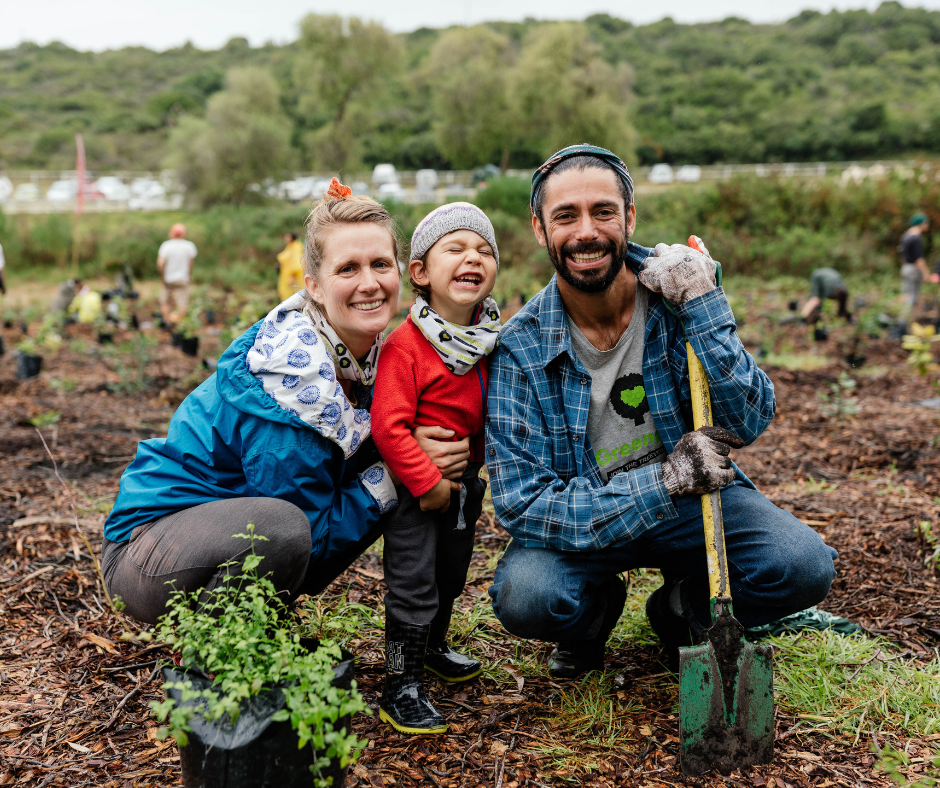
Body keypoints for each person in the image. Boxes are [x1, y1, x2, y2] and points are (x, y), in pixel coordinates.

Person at [485, 144, 837, 677]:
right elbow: (521, 503)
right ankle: (592, 617)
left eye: (603, 211)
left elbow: (750, 418)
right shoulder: (521, 346)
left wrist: (704, 303)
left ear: (629, 216)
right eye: (566, 216)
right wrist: (662, 480)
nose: (586, 232)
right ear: (540, 228)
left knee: (803, 566)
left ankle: (680, 612)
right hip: (592, 516)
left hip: (691, 507)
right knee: (529, 595)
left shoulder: (677, 297)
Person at [101, 179, 470, 625]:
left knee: (403, 459)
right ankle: (215, 662)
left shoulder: (363, 360)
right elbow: (307, 547)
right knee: (283, 530)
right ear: (313, 285)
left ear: (401, 272)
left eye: (380, 264)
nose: (370, 283)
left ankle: (419, 642)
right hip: (150, 552)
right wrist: (398, 469)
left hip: (216, 534)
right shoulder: (292, 382)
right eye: (348, 269)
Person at [371, 204, 501, 734]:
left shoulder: (489, 342)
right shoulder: (408, 346)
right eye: (457, 248)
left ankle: (435, 646)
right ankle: (399, 685)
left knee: (451, 573)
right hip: (416, 494)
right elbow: (388, 426)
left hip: (465, 487)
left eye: (485, 251)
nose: (473, 258)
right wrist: (426, 485)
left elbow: (495, 413)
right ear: (420, 273)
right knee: (414, 581)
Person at [157, 223, 197, 326]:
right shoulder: (189, 246)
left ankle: (167, 323)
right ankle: (180, 326)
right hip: (182, 279)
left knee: (165, 301)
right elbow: (190, 264)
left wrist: (163, 278)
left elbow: (160, 264)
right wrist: (188, 275)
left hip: (168, 279)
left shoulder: (166, 245)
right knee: (182, 303)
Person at [898, 212, 930, 326]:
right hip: (913, 270)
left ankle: (906, 323)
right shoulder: (916, 238)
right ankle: (903, 324)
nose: (927, 225)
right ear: (920, 224)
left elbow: (903, 257)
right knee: (911, 298)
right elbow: (918, 259)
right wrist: (926, 274)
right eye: (926, 223)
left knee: (906, 295)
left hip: (906, 268)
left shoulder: (905, 236)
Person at [277, 232, 305, 301]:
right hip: (285, 275)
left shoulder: (296, 247)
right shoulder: (289, 247)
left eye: (287, 237)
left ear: (292, 238)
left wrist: (293, 275)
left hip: (292, 276)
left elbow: (297, 263)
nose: (285, 239)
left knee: (292, 296)